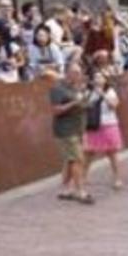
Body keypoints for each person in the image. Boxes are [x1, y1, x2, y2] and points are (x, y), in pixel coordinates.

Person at [50, 62, 91, 203]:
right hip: (65, 130)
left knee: (70, 160)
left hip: (78, 128)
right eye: (75, 72)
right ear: (67, 72)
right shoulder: (58, 88)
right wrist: (73, 103)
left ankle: (65, 189)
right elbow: (55, 110)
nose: (78, 75)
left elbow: (84, 105)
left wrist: (84, 101)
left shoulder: (77, 88)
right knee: (77, 159)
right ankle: (80, 191)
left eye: (79, 73)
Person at [84, 70, 124, 191]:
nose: (98, 79)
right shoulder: (89, 92)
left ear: (105, 80)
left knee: (112, 153)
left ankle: (117, 178)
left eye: (100, 77)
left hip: (109, 124)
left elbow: (114, 105)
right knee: (89, 152)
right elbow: (84, 106)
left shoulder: (110, 92)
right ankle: (83, 176)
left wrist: (102, 94)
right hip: (93, 125)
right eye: (95, 77)